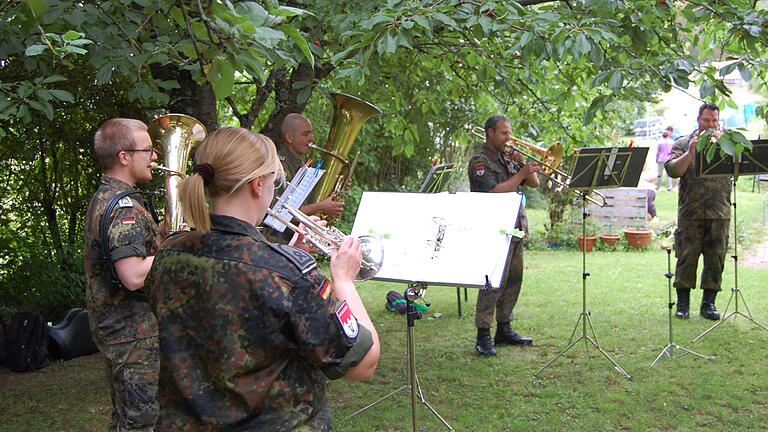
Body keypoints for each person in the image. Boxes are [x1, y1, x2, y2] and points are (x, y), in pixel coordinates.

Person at [146, 127, 379, 430]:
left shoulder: (168, 254)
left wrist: (283, 256)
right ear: (258, 184)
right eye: (275, 181)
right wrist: (344, 280)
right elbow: (363, 364)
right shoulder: (287, 271)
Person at [83, 118, 162, 431]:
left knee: (126, 417)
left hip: (119, 326)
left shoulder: (106, 196)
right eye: (148, 150)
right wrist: (172, 252)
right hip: (132, 331)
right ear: (124, 157)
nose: (154, 157)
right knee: (141, 422)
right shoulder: (124, 206)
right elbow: (132, 275)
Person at [467, 115, 540, 356]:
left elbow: (535, 183)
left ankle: (504, 328)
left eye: (510, 133)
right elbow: (493, 192)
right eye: (504, 133)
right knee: (492, 283)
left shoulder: (507, 157)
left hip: (515, 227)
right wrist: (519, 176)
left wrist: (522, 165)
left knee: (514, 280)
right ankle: (483, 335)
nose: (509, 138)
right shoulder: (480, 161)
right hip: (493, 230)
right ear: (490, 133)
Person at [665, 103, 729, 321]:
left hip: (719, 212)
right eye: (706, 120)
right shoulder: (683, 143)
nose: (710, 125)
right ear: (698, 120)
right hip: (690, 212)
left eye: (714, 121)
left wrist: (724, 148)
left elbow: (741, 166)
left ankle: (708, 304)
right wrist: (691, 152)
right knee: (686, 257)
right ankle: (683, 304)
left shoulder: (727, 144)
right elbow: (674, 170)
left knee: (716, 258)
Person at [265, 113, 345, 243]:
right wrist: (321, 206)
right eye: (305, 134)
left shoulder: (300, 164)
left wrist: (335, 186)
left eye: (311, 133)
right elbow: (279, 212)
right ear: (290, 138)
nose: (311, 138)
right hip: (277, 241)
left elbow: (304, 202)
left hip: (292, 240)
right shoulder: (279, 166)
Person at [656, 126, 675, 191]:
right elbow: (672, 151)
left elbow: (658, 152)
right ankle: (669, 188)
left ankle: (658, 187)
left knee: (659, 174)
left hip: (660, 159)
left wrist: (656, 158)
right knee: (668, 175)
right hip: (668, 159)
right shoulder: (672, 142)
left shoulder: (660, 142)